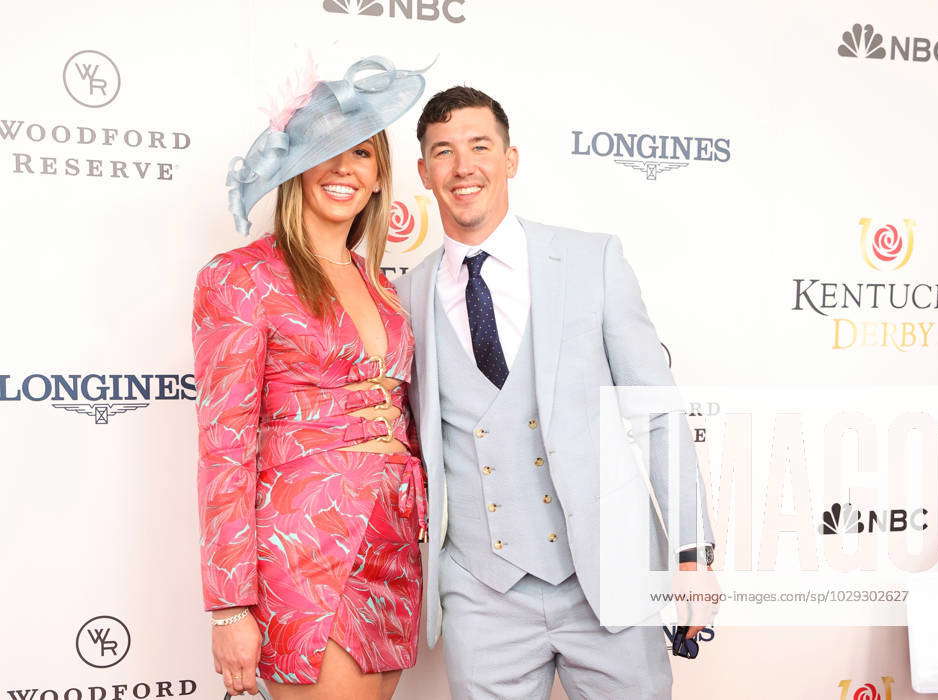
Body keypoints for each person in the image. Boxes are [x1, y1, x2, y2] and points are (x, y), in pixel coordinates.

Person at [394, 86, 716, 699]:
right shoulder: (406, 296)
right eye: (444, 152)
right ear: (424, 172)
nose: (464, 168)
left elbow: (657, 414)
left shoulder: (592, 261)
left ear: (510, 158)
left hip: (608, 574)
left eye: (480, 146)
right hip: (480, 595)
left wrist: (692, 555)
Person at [192, 57, 428, 699]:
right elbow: (224, 445)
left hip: (391, 542)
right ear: (294, 164)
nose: (344, 168)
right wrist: (231, 605)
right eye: (326, 149)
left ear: (380, 177)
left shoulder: (382, 285)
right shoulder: (241, 277)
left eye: (362, 154)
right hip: (304, 548)